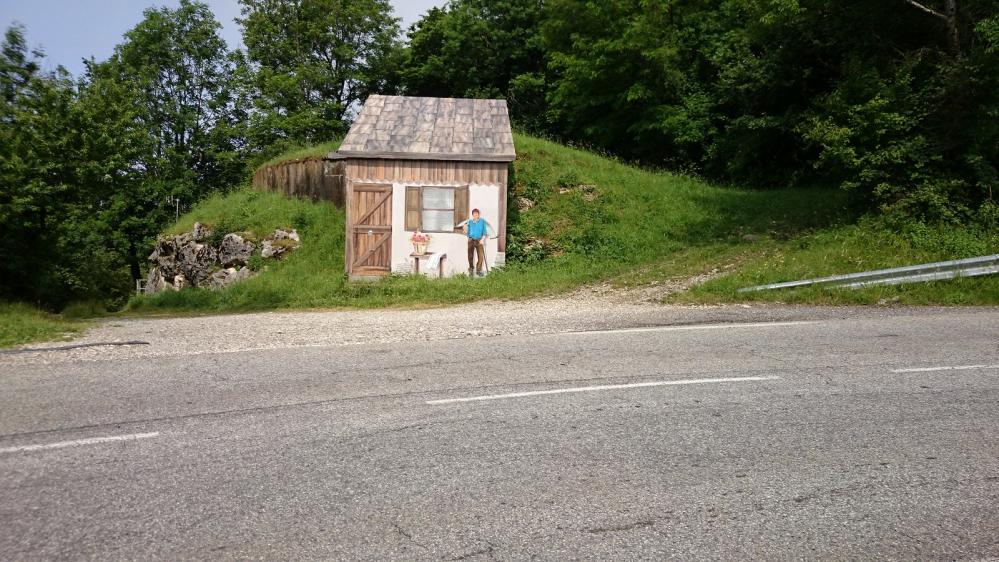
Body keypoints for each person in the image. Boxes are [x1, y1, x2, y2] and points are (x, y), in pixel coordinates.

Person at [465, 208, 487, 276]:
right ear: (472, 215)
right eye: (474, 214)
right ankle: (471, 270)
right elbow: (467, 232)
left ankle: (478, 270)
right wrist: (465, 228)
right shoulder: (470, 222)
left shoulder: (482, 221)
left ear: (478, 214)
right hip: (471, 240)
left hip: (479, 240)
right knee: (470, 256)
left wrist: (482, 239)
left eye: (476, 213)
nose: (475, 215)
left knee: (480, 256)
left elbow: (484, 232)